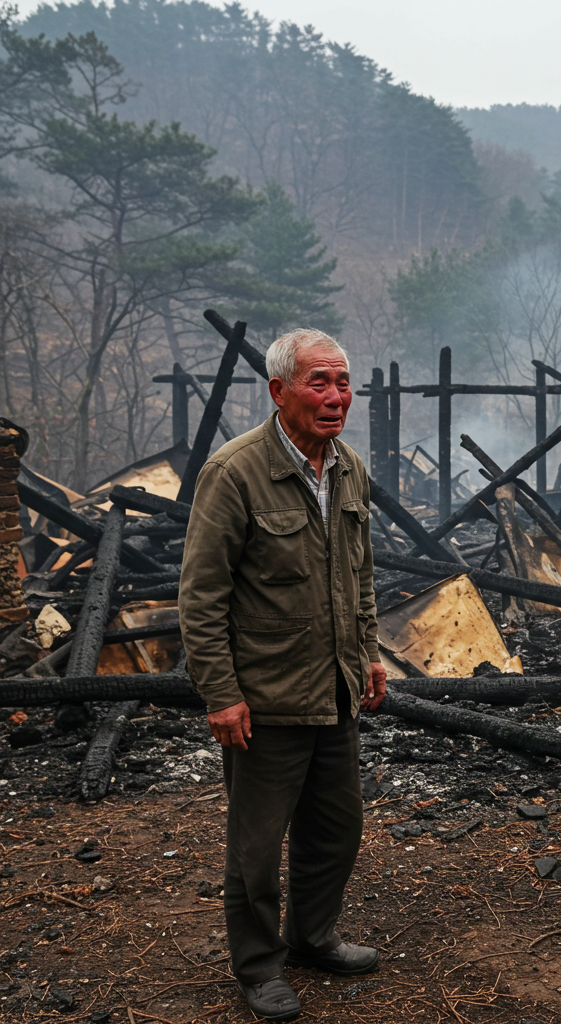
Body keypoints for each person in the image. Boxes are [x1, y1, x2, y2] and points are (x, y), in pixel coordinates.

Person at [179, 328, 387, 1021]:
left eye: (343, 382)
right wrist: (221, 693)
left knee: (337, 829)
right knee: (257, 847)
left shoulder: (349, 468)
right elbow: (201, 596)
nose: (336, 397)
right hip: (264, 698)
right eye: (318, 383)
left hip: (335, 689)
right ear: (278, 391)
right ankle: (259, 966)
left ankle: (313, 937)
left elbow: (358, 573)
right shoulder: (233, 473)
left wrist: (370, 652)